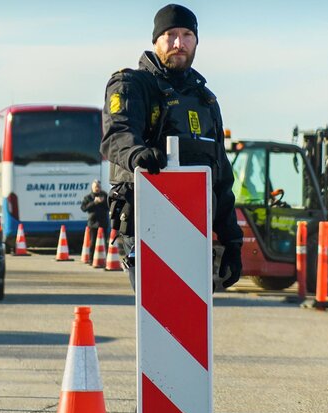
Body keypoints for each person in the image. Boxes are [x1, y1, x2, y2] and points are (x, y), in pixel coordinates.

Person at [100, 4, 243, 291]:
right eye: (171, 35)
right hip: (146, 225)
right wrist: (138, 155)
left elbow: (221, 175)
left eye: (187, 34)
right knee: (159, 317)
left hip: (195, 230)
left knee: (189, 321)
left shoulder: (206, 100)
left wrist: (231, 240)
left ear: (196, 41)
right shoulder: (131, 85)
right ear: (156, 41)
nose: (179, 43)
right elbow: (117, 133)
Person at [80, 179, 109, 257]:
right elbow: (83, 208)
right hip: (93, 223)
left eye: (99, 187)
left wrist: (103, 202)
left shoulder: (105, 195)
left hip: (103, 222)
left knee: (105, 242)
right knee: (92, 242)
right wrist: (94, 203)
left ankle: (106, 258)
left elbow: (109, 207)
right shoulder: (88, 197)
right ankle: (91, 258)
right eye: (96, 187)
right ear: (92, 188)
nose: (97, 188)